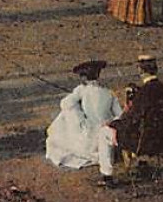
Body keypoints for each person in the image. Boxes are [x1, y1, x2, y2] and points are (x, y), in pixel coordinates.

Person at [44, 59, 123, 187]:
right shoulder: (108, 93)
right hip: (106, 137)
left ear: (84, 78)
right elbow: (119, 115)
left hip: (88, 140)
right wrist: (108, 123)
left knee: (68, 111)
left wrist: (78, 98)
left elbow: (64, 104)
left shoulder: (81, 90)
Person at [110, 55, 163, 159]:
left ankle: (107, 172)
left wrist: (114, 124)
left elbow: (133, 120)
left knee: (105, 132)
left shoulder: (143, 93)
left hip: (143, 142)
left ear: (140, 71)